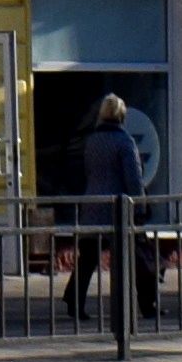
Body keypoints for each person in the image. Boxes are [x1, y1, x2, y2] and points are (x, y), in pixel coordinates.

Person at [65, 93, 158, 322]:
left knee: (87, 259)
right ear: (122, 115)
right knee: (138, 257)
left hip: (93, 205)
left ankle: (74, 300)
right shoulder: (124, 142)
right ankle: (147, 304)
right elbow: (134, 179)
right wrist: (139, 207)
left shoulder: (92, 140)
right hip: (118, 208)